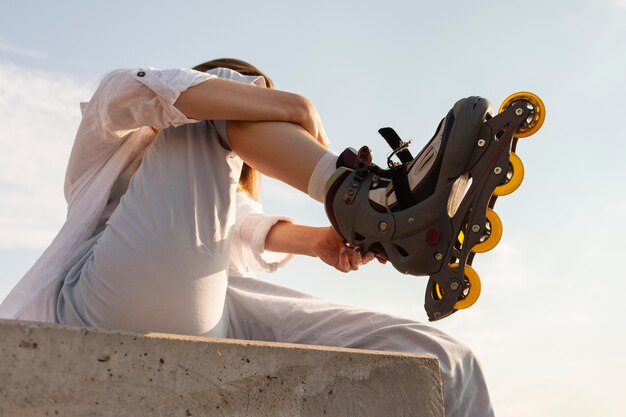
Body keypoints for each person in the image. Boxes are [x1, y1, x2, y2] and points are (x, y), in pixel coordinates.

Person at [0, 58, 494, 416]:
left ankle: (380, 211)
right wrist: (281, 101)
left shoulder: (214, 206)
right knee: (212, 107)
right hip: (97, 302)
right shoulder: (132, 143)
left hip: (217, 312)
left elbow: (249, 230)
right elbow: (128, 92)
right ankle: (366, 196)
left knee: (448, 362)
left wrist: (325, 241)